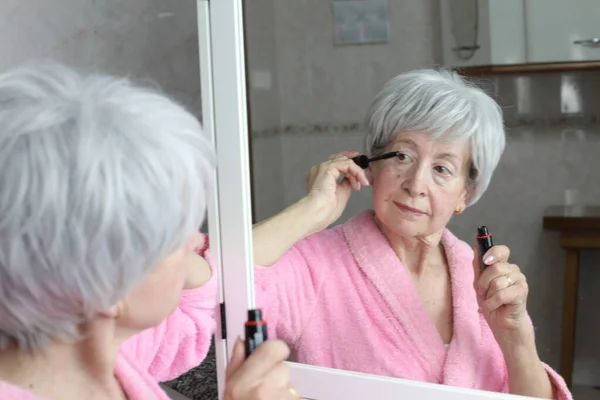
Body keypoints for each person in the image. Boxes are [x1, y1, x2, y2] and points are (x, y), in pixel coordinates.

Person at [204, 69, 572, 399]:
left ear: (466, 193)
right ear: (372, 165)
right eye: (401, 156)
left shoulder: (478, 278)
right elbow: (204, 287)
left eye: (442, 169)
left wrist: (515, 335)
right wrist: (310, 212)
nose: (416, 184)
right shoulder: (317, 264)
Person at [0, 62, 298, 400]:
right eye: (175, 238)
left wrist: (314, 209)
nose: (197, 241)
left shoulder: (102, 346)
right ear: (107, 288)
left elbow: (194, 308)